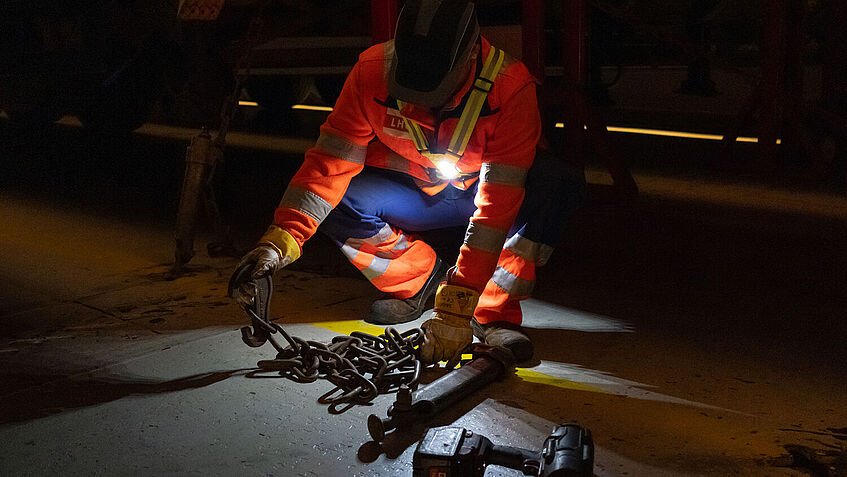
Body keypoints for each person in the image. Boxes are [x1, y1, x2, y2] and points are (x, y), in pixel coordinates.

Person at [232, 0, 584, 367]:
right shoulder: (371, 72)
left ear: (468, 59)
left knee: (552, 184)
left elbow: (496, 208)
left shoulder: (510, 88)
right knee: (337, 199)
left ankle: (489, 310)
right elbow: (328, 164)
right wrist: (278, 242)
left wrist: (458, 306)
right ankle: (421, 283)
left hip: (480, 194)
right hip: (417, 191)